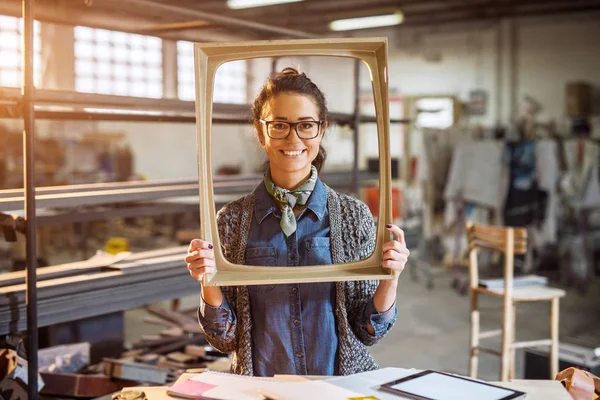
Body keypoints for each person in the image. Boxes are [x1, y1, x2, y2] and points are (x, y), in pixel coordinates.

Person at [185, 67, 410, 377]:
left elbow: (369, 331)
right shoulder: (232, 221)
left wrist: (391, 277)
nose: (293, 138)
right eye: (279, 125)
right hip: (260, 391)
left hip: (338, 389)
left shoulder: (352, 216)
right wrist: (207, 282)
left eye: (305, 125)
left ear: (321, 129)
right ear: (260, 131)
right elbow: (224, 340)